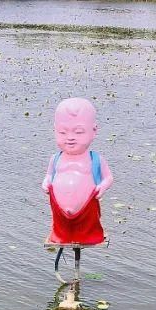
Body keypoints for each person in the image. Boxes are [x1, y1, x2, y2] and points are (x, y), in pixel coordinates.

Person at [42, 98, 113, 246]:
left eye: (79, 132)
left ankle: (89, 236)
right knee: (60, 230)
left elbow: (108, 178)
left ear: (94, 131)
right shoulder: (56, 159)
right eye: (62, 132)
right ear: (55, 130)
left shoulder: (95, 159)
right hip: (59, 211)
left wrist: (103, 186)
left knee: (88, 230)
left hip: (87, 209)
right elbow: (49, 174)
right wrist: (46, 181)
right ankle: (59, 236)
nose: (70, 138)